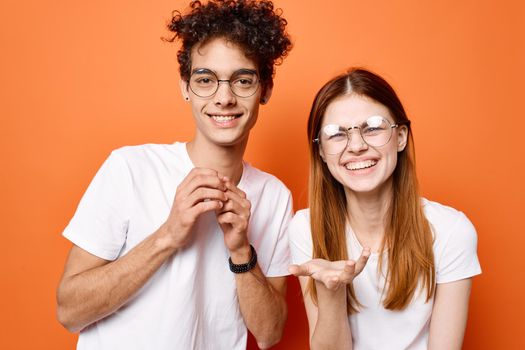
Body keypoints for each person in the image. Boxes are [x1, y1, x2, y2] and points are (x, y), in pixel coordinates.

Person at [56, 1, 293, 349]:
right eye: (205, 79)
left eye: (243, 80)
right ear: (185, 87)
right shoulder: (130, 168)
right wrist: (168, 235)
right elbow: (69, 311)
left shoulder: (274, 196)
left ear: (266, 90)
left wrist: (242, 250)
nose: (224, 97)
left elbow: (270, 334)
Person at [288, 68, 481, 350]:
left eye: (373, 128)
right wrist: (331, 293)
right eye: (336, 134)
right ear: (321, 151)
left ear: (400, 137)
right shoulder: (306, 228)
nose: (356, 146)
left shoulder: (451, 231)